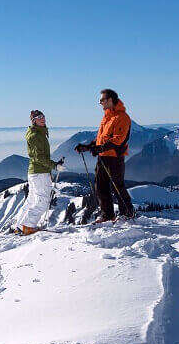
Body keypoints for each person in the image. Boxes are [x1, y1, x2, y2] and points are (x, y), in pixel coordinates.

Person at [75, 89, 135, 222]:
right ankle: (107, 215)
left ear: (109, 100)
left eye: (102, 100)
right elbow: (101, 139)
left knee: (117, 186)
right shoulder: (106, 118)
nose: (100, 102)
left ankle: (127, 213)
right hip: (103, 157)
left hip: (114, 158)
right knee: (100, 186)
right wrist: (88, 147)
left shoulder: (122, 117)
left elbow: (118, 139)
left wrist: (100, 148)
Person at [17, 110, 64, 235]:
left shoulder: (38, 133)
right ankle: (28, 226)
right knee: (42, 201)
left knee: (32, 200)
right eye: (39, 117)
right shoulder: (36, 135)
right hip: (40, 172)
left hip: (35, 172)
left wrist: (54, 164)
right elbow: (39, 157)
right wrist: (54, 165)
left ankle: (21, 225)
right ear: (34, 121)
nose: (42, 119)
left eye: (43, 116)